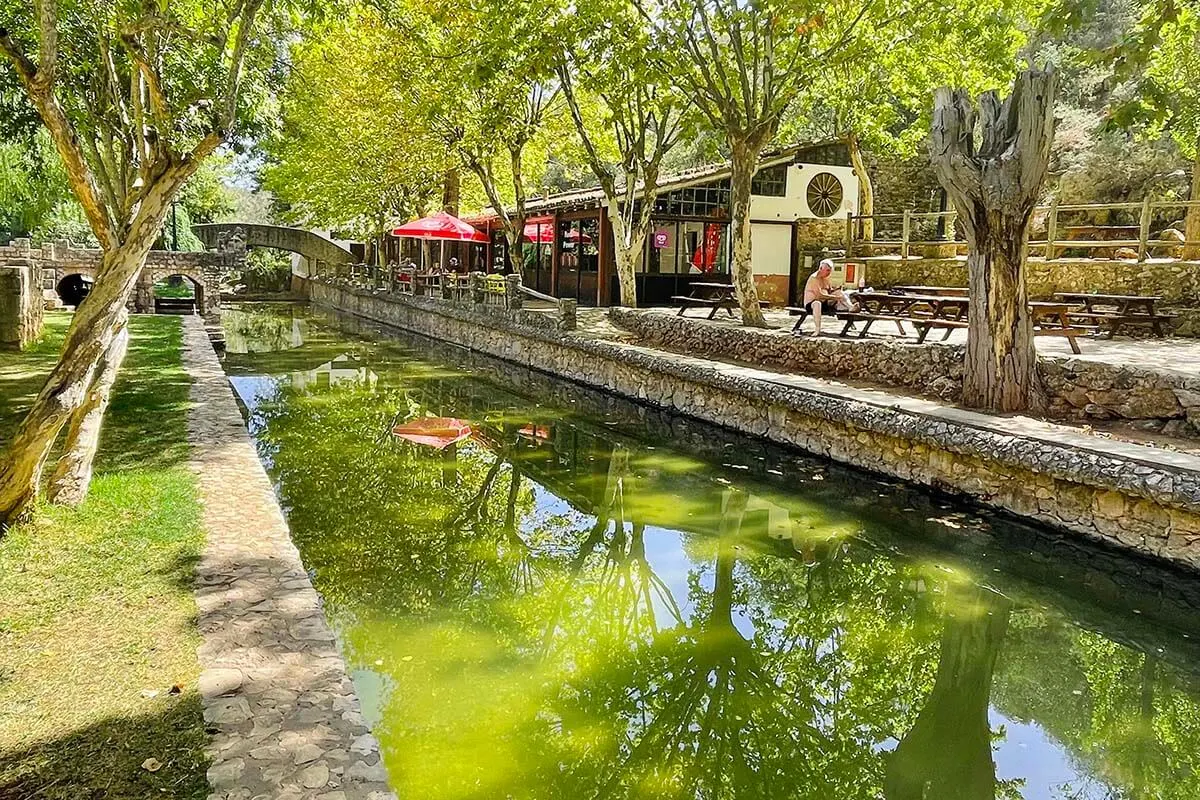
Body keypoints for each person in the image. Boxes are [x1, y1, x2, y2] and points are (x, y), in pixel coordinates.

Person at [802, 259, 857, 336]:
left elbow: (830, 290)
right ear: (821, 269)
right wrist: (836, 298)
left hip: (825, 303)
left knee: (839, 293)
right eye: (827, 270)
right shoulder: (814, 278)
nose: (829, 273)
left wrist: (836, 290)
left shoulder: (826, 278)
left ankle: (850, 307)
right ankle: (817, 329)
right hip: (812, 304)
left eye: (830, 271)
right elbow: (819, 295)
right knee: (817, 303)